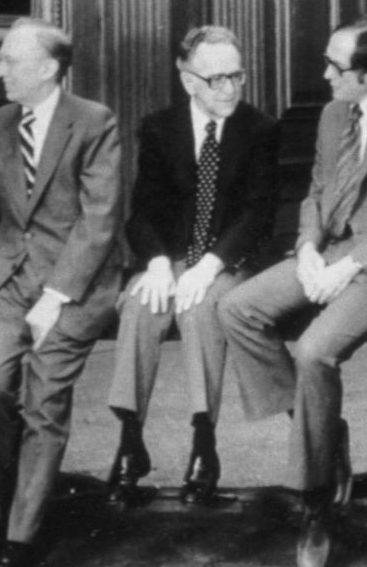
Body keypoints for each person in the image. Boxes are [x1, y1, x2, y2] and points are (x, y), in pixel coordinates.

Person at [218, 18, 367, 567]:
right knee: (237, 308)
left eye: (335, 67)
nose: (324, 75)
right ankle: (322, 433)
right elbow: (318, 191)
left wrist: (349, 265)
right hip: (333, 252)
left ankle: (316, 501)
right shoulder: (331, 114)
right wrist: (307, 251)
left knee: (315, 351)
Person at [0, 19, 123, 567]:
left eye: (7, 61)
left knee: (43, 399)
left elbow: (98, 223)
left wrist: (56, 297)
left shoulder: (94, 121)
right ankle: (17, 509)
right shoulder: (0, 124)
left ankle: (16, 550)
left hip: (74, 285)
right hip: (7, 282)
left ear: (48, 68)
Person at [104, 26, 280, 506]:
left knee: (202, 311)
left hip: (227, 260)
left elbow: (257, 215)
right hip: (172, 258)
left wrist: (210, 266)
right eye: (216, 79)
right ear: (188, 81)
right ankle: (129, 441)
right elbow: (143, 211)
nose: (229, 89)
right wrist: (158, 263)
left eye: (236, 77)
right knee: (140, 306)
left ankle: (204, 442)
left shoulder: (259, 129)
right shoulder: (160, 128)